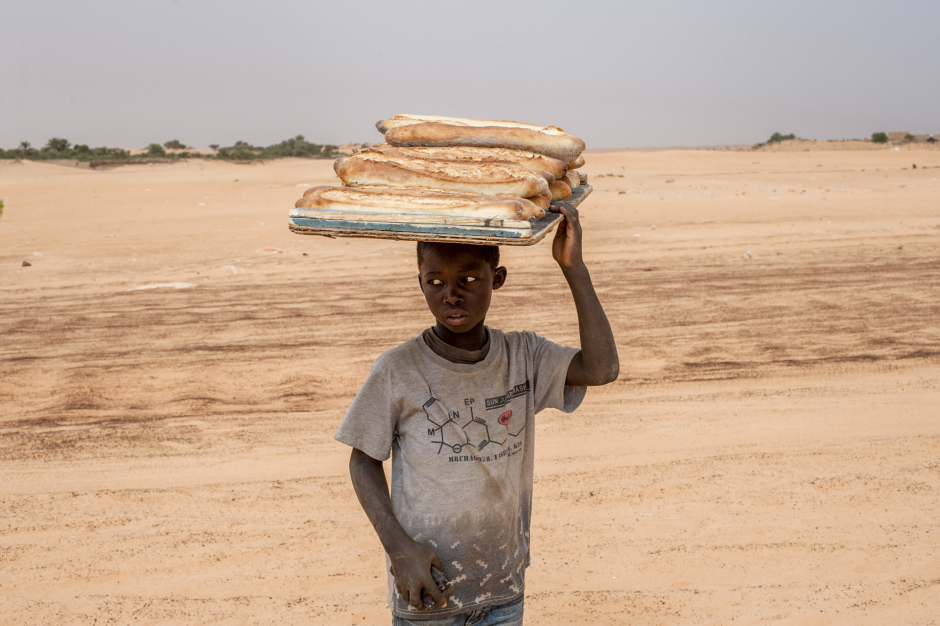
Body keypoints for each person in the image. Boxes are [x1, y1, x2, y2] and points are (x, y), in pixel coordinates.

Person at [335, 203, 618, 625]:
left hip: (502, 588)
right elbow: (363, 459)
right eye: (435, 282)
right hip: (427, 589)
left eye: (468, 280)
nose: (452, 294)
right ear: (420, 284)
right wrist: (399, 549)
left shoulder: (524, 356)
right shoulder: (399, 368)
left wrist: (573, 267)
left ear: (497, 279)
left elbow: (601, 369)